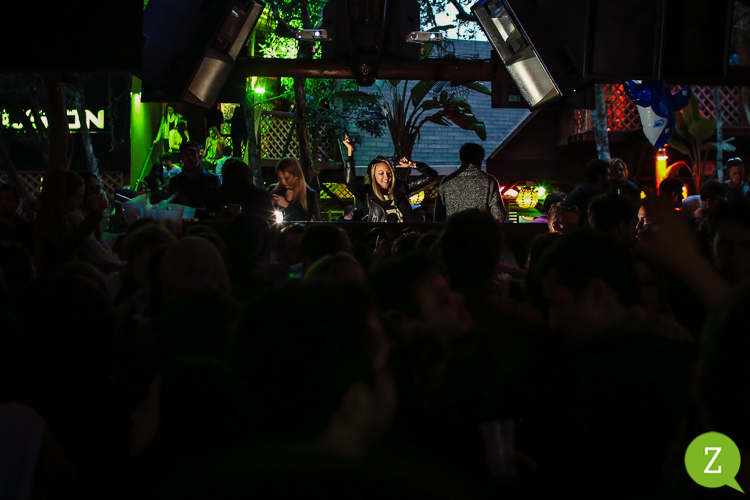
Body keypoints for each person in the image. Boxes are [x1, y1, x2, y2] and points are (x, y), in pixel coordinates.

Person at [343, 136, 436, 223]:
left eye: (389, 172)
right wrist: (350, 153)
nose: (386, 177)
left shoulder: (401, 187)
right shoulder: (368, 193)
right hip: (378, 234)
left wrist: (414, 165)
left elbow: (431, 175)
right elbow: (350, 182)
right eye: (381, 173)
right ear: (373, 175)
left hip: (403, 233)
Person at [33, 170, 108, 276]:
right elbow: (69, 244)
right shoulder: (48, 218)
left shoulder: (60, 215)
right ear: (63, 196)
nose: (81, 202)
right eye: (77, 198)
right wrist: (95, 215)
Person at [433, 143, 506, 222]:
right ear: (481, 160)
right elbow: (499, 214)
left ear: (461, 158)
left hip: (454, 229)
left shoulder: (446, 182)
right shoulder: (489, 181)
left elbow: (438, 218)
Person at [166, 141, 221, 212]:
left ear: (198, 155)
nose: (190, 157)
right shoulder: (174, 182)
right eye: (186, 154)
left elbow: (219, 206)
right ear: (181, 157)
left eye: (193, 154)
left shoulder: (212, 179)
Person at [268, 158, 319, 222]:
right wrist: (269, 204)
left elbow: (305, 220)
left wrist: (287, 206)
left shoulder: (309, 194)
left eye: (287, 179)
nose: (283, 182)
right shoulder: (274, 190)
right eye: (280, 178)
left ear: (296, 176)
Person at [565, 159, 612, 227]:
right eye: (608, 175)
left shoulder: (581, 190)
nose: (611, 178)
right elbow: (592, 224)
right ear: (599, 177)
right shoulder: (595, 194)